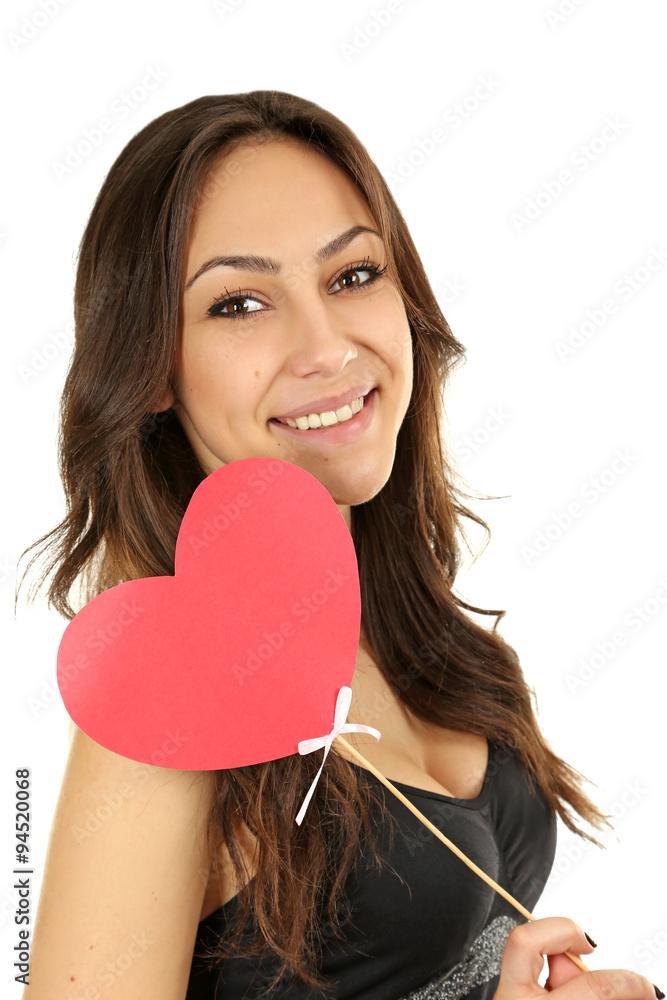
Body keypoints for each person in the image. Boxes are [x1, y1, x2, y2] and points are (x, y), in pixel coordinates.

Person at [17, 90, 661, 1000]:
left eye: (352, 275)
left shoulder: (418, 632)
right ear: (153, 368)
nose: (326, 346)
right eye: (239, 303)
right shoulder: (163, 703)